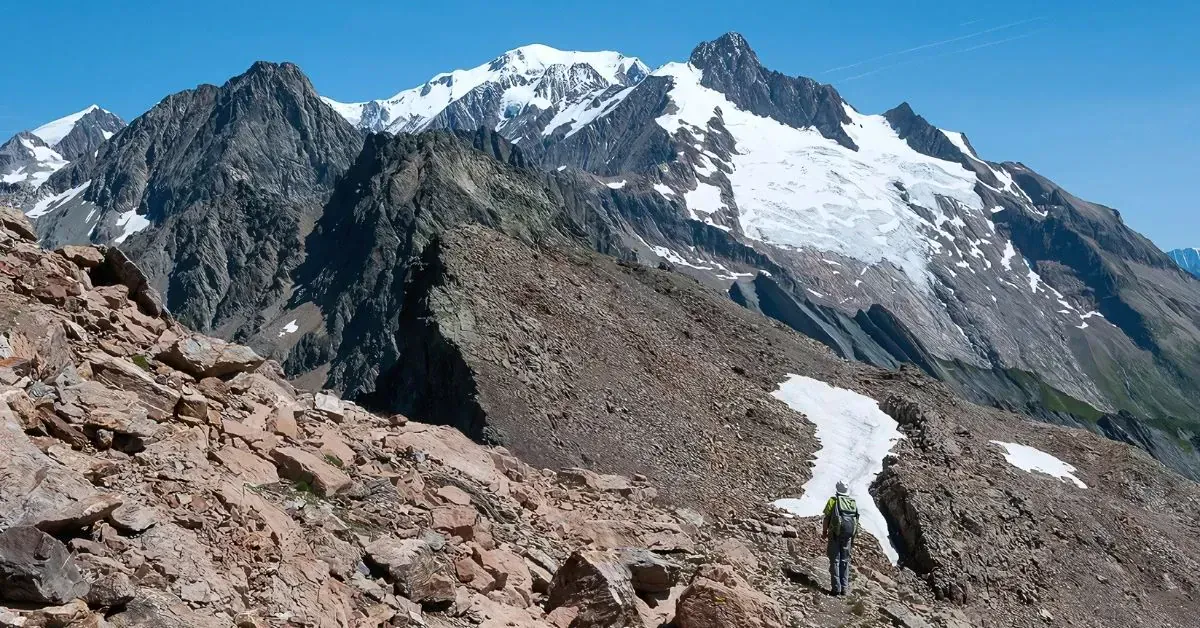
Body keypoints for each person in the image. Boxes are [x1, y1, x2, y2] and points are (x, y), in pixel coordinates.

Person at [822, 480, 859, 596]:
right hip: (848, 536)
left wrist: (824, 531)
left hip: (834, 534)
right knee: (845, 561)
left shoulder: (833, 501)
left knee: (835, 560)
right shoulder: (852, 502)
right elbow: (856, 521)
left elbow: (826, 518)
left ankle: (836, 589)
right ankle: (844, 588)